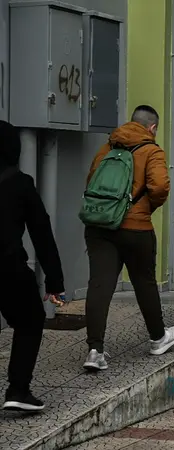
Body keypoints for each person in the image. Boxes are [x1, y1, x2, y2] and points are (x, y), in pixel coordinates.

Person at [82, 105, 174, 371]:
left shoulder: (107, 147)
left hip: (100, 226)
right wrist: (145, 208)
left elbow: (91, 181)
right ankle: (158, 338)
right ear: (152, 128)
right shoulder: (151, 150)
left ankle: (95, 350)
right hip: (135, 228)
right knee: (144, 282)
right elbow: (159, 187)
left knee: (99, 285)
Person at [0, 120, 65, 411]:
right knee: (30, 320)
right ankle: (18, 389)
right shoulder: (20, 183)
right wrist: (55, 281)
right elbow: (42, 233)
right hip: (8, 268)